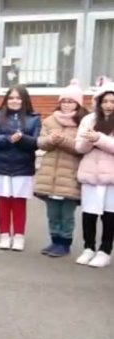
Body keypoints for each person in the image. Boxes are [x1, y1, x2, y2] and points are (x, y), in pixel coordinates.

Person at [0, 84, 41, 251]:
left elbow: (36, 142)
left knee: (18, 202)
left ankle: (19, 236)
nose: (14, 101)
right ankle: (4, 234)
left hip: (22, 166)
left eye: (18, 98)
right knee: (2, 201)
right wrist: (8, 138)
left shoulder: (34, 118)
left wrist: (21, 138)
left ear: (24, 100)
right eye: (11, 98)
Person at [35, 80, 86, 258]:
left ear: (78, 104)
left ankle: (65, 243)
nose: (66, 104)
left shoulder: (84, 122)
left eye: (70, 101)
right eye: (64, 101)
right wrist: (50, 140)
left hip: (70, 174)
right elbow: (40, 142)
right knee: (52, 212)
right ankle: (54, 240)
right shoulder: (50, 120)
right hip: (50, 175)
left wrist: (62, 141)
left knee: (67, 214)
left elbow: (82, 147)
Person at [74, 82, 114, 268]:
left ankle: (105, 250)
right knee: (89, 214)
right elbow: (79, 147)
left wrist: (100, 138)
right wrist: (89, 141)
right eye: (105, 101)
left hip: (111, 177)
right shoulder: (89, 119)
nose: (108, 105)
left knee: (109, 215)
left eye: (112, 101)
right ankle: (88, 247)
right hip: (90, 174)